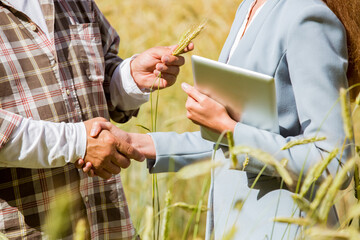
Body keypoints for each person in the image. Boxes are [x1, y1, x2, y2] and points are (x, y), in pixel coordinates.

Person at [86, 0, 360, 239]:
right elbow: (236, 143)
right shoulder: (248, 8)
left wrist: (228, 128)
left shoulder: (307, 19)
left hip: (285, 228)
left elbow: (334, 161)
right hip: (235, 227)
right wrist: (137, 142)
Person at [0, 0, 192, 239]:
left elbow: (99, 80)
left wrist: (132, 78)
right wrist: (78, 143)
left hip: (108, 221)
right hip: (31, 229)